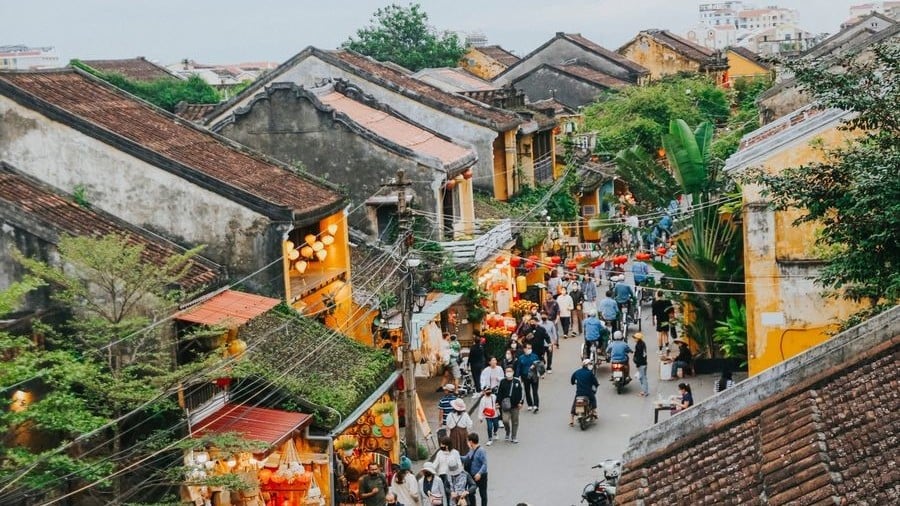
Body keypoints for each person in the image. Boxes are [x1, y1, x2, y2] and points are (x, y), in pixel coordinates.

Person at [496, 367, 524, 443]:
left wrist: (521, 402)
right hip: (505, 406)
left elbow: (521, 393)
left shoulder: (517, 381)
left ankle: (514, 436)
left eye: (510, 371)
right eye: (507, 371)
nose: (508, 372)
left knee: (515, 421)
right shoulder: (502, 382)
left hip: (515, 406)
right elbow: (499, 393)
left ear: (513, 372)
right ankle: (507, 431)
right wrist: (497, 403)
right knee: (505, 420)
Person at [570, 358, 600, 426]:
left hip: (579, 393)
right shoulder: (590, 373)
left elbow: (572, 380)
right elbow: (595, 382)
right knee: (593, 398)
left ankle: (571, 419)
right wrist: (597, 384)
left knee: (575, 403)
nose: (591, 365)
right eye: (590, 364)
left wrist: (574, 382)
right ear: (586, 365)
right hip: (588, 393)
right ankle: (594, 411)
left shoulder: (577, 372)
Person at [461, 433, 488, 506]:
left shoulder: (481, 451)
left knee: (483, 494)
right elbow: (466, 458)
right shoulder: (471, 450)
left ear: (471, 442)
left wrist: (479, 473)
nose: (467, 443)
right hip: (472, 476)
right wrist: (457, 456)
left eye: (467, 441)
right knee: (471, 493)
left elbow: (485, 464)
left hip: (481, 476)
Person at [434, 436, 463, 502]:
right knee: (444, 494)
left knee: (451, 493)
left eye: (442, 444)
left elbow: (459, 464)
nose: (441, 446)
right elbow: (435, 463)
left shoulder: (455, 453)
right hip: (442, 475)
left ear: (447, 445)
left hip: (452, 475)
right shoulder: (439, 453)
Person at [515, 343, 541, 413]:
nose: (529, 350)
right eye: (528, 348)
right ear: (524, 349)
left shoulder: (535, 356)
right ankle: (530, 404)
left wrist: (537, 369)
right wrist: (517, 377)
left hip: (534, 376)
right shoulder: (521, 358)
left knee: (535, 391)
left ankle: (536, 405)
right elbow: (518, 368)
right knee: (527, 391)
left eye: (530, 348)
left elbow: (539, 365)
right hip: (525, 377)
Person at [632, 332, 649, 397]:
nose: (634, 339)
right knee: (643, 377)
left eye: (635, 338)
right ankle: (644, 391)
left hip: (641, 364)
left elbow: (639, 356)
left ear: (638, 339)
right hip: (644, 363)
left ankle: (645, 392)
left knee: (643, 378)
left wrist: (637, 363)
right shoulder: (643, 344)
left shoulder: (638, 346)